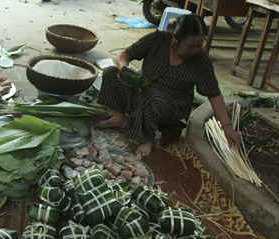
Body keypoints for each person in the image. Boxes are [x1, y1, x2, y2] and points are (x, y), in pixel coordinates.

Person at [95, 13, 241, 157]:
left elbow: (214, 94)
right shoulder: (157, 39)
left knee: (151, 95)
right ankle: (119, 118)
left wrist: (226, 126)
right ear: (175, 37)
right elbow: (123, 56)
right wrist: (124, 70)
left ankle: (146, 138)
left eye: (199, 46)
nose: (195, 51)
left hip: (170, 108)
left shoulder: (201, 62)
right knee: (110, 72)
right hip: (142, 94)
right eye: (190, 46)